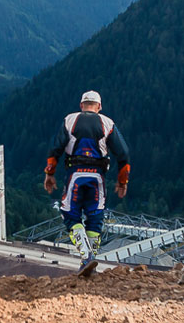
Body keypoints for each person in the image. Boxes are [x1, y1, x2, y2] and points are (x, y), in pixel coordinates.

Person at [43, 91, 130, 274]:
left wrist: (50, 174)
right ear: (99, 106)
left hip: (75, 173)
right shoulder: (108, 123)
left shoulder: (70, 120)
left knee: (70, 214)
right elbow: (123, 153)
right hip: (98, 176)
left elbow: (55, 148)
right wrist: (122, 182)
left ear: (81, 105)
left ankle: (86, 256)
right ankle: (89, 260)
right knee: (95, 217)